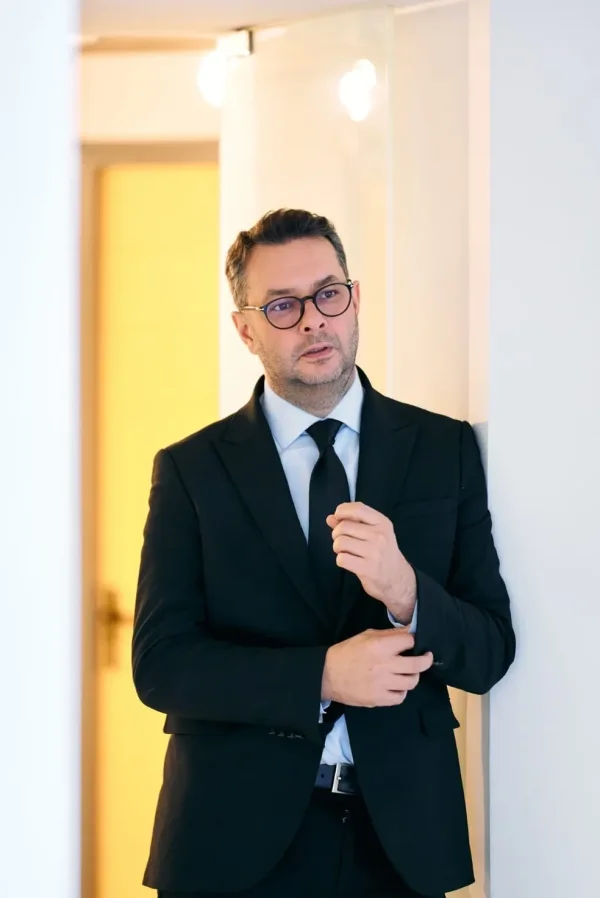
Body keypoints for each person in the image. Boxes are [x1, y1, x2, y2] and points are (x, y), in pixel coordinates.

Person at [132, 208, 515, 898]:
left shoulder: (445, 450)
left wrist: (407, 592)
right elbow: (161, 666)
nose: (313, 321)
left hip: (401, 844)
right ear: (245, 330)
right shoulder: (192, 470)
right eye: (282, 306)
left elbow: (490, 653)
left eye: (328, 294)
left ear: (355, 298)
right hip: (229, 840)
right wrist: (322, 676)